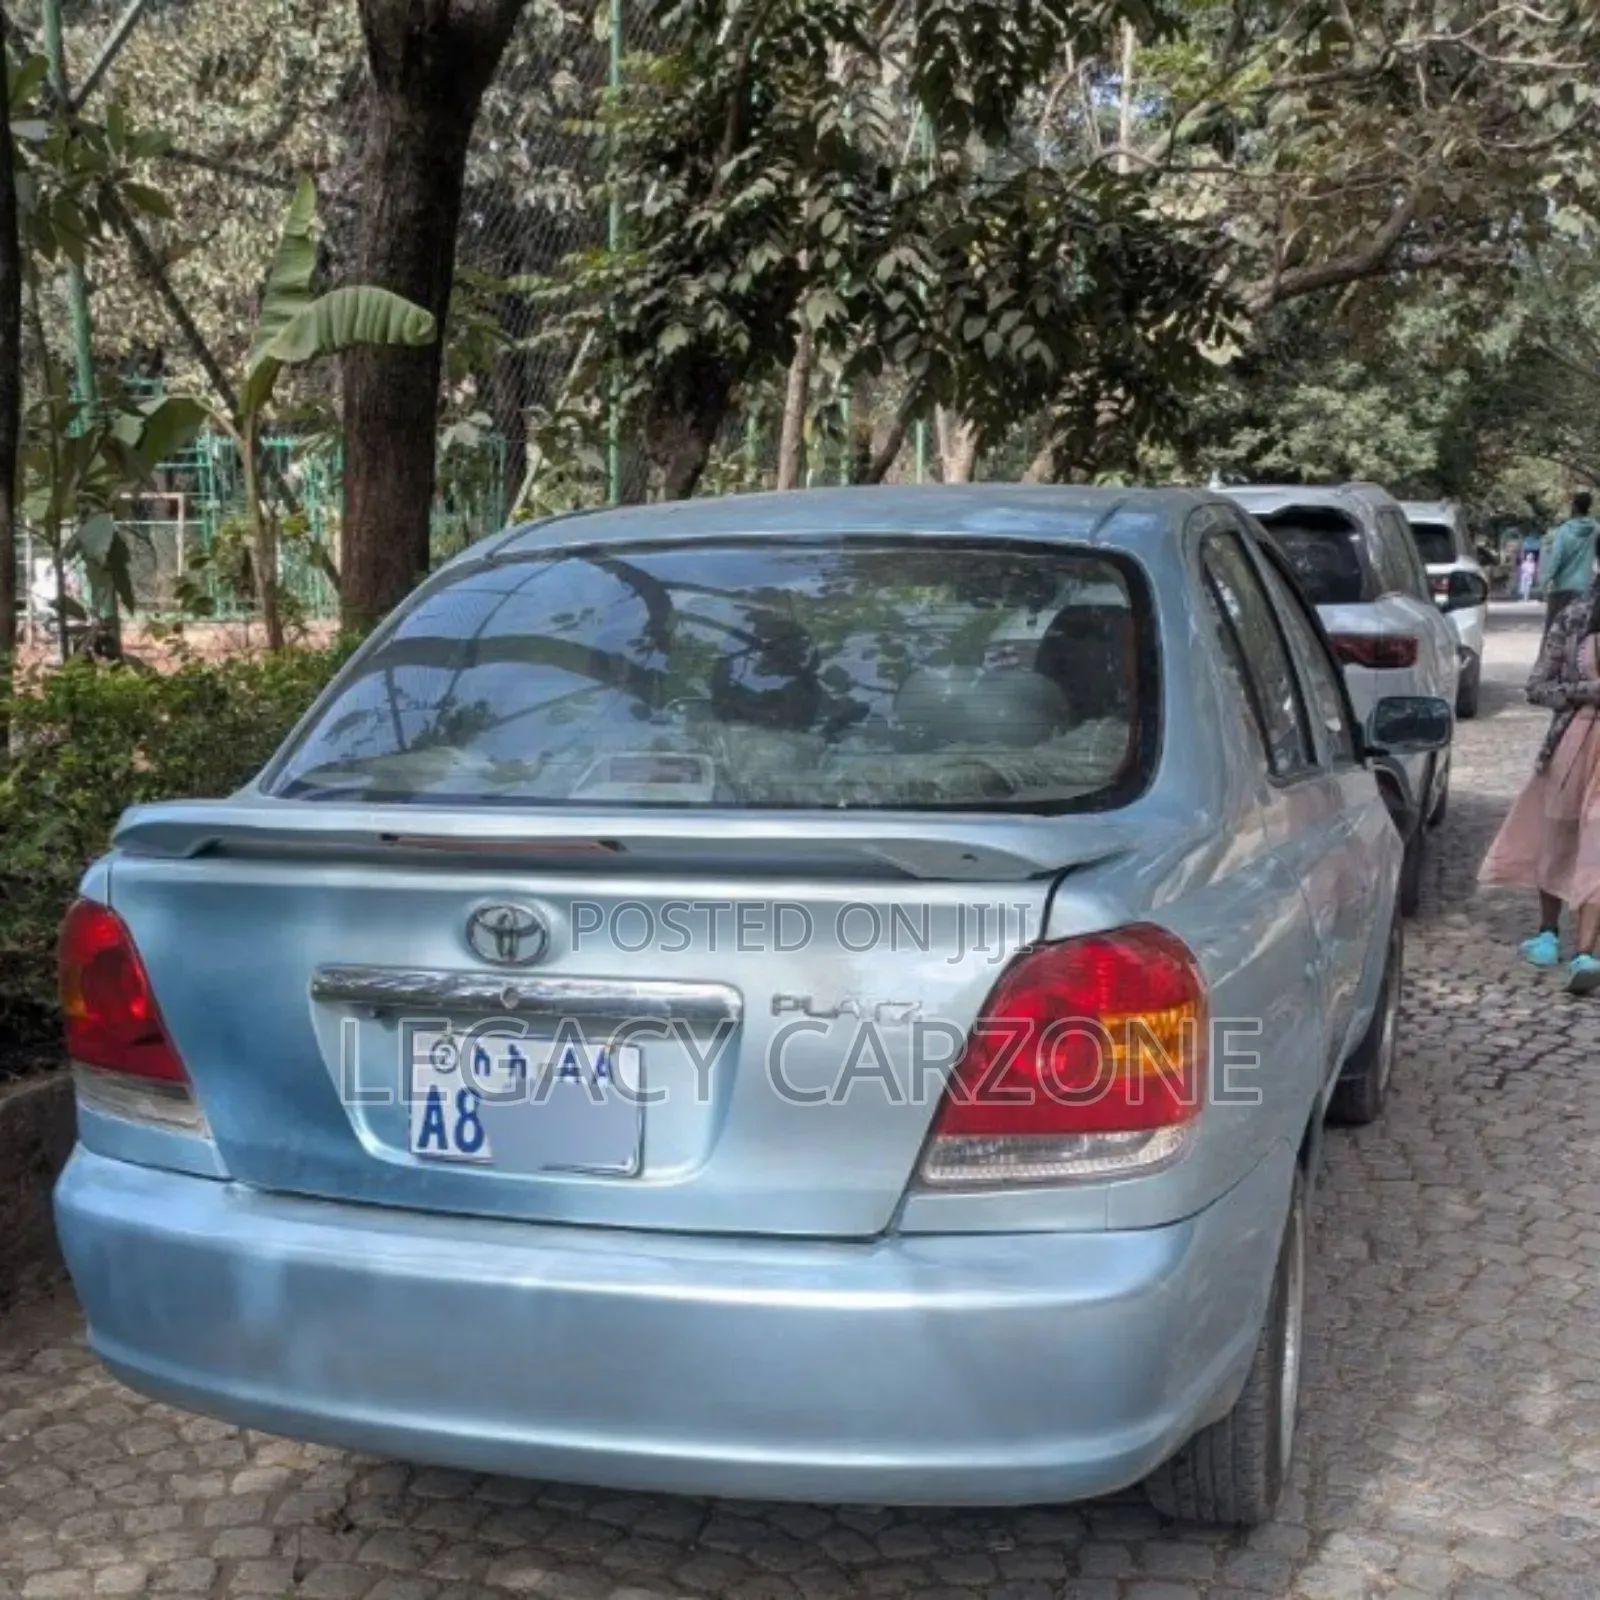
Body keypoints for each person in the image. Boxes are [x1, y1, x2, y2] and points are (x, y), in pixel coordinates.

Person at [1479, 550, 1600, 994]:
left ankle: (1586, 951)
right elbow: (1538, 687)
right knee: (1558, 833)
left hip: (1582, 744)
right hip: (1572, 741)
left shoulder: (1573, 614)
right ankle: (1549, 933)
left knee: (1596, 842)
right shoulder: (1575, 617)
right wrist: (1590, 691)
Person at [1540, 492, 1598, 637]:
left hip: (1561, 588)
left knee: (1552, 633)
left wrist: (1545, 582)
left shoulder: (1564, 530)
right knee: (1581, 632)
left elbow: (1556, 559)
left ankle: (1547, 659)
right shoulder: (1596, 530)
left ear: (1574, 507)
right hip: (1584, 588)